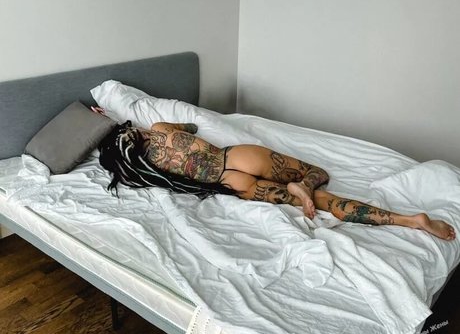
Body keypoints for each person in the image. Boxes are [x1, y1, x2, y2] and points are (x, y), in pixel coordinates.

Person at [95, 113, 456, 241]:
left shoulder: (146, 171)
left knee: (324, 204)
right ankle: (305, 185)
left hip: (232, 184)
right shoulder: (161, 129)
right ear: (132, 131)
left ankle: (411, 221)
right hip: (236, 157)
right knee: (319, 174)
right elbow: (190, 127)